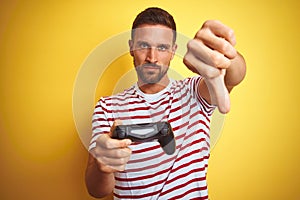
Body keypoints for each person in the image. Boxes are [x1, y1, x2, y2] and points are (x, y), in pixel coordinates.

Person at [85, 7, 246, 199]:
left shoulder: (194, 92)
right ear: (131, 47)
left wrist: (225, 56)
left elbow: (234, 76)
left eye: (162, 47)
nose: (152, 58)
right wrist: (103, 167)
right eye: (144, 45)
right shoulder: (107, 108)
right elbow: (96, 190)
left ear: (173, 51)